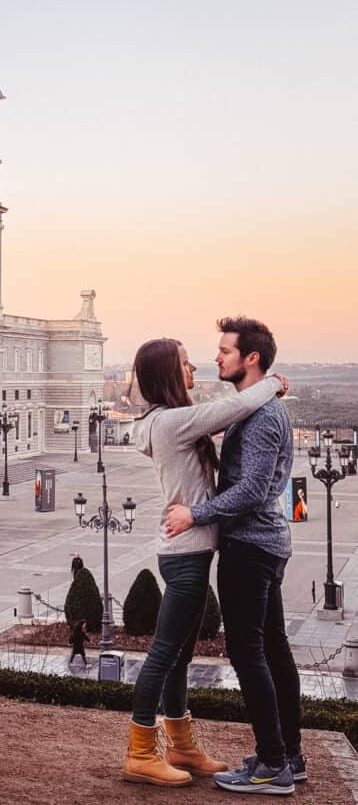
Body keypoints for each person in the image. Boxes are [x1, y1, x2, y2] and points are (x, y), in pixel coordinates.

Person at [123, 337, 286, 788]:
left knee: (180, 657)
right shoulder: (174, 422)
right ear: (167, 374)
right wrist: (273, 382)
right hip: (186, 557)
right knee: (162, 655)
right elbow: (233, 409)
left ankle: (181, 747)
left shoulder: (168, 421)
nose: (194, 367)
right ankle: (140, 752)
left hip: (189, 553)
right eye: (184, 363)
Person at [166, 317, 303, 795]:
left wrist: (195, 514)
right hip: (264, 544)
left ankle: (272, 765)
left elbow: (251, 491)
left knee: (249, 653)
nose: (217, 358)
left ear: (251, 359)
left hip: (250, 546)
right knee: (273, 649)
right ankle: (290, 754)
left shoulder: (264, 417)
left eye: (225, 350)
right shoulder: (260, 408)